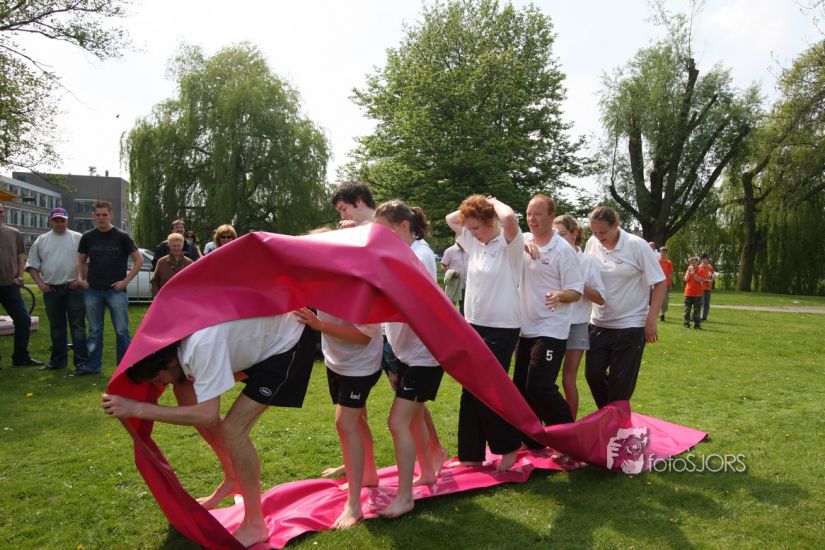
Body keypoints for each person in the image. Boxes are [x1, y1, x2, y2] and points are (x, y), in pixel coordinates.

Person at [101, 314, 317, 548]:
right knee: (184, 390)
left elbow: (207, 415)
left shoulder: (200, 346)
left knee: (233, 430)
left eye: (156, 377)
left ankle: (255, 525)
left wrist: (138, 408)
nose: (158, 385)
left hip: (288, 343)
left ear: (170, 362)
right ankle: (233, 479)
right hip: (261, 342)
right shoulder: (184, 349)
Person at [373, 200, 446, 519]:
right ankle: (427, 471)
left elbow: (412, 301)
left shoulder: (420, 255)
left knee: (397, 422)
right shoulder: (406, 252)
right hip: (407, 352)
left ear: (404, 226)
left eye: (385, 232)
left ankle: (404, 498)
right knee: (413, 418)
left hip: (423, 356)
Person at [445, 195, 523, 471]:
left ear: (491, 220)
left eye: (477, 227)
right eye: (470, 228)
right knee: (471, 389)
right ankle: (470, 454)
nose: (472, 232)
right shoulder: (474, 242)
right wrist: (473, 207)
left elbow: (509, 218)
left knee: (490, 389)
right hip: (473, 325)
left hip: (502, 328)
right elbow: (450, 219)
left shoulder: (510, 243)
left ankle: (510, 446)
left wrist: (492, 202)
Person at [293, 306, 383, 529]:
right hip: (336, 360)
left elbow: (364, 336)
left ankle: (354, 506)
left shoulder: (364, 290)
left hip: (360, 365)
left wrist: (319, 325)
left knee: (345, 424)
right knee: (356, 421)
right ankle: (368, 474)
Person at [513, 195, 583, 440]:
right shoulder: (523, 239)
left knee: (539, 386)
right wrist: (522, 244)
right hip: (525, 328)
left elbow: (576, 291)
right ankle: (534, 442)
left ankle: (571, 439)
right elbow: (501, 234)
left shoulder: (563, 250)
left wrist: (560, 295)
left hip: (552, 328)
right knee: (521, 389)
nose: (532, 219)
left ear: (551, 216)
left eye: (538, 214)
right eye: (529, 214)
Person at [584, 207, 666, 408]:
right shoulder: (592, 243)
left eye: (603, 232)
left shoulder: (636, 245)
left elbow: (660, 282)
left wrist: (651, 320)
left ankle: (613, 419)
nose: (598, 237)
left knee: (620, 384)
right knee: (593, 374)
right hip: (598, 323)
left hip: (630, 325)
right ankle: (612, 416)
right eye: (594, 232)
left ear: (616, 225)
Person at [76, 200, 143, 376]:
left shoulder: (122, 236)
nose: (101, 218)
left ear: (111, 215)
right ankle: (92, 366)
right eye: (98, 215)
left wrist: (125, 282)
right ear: (93, 216)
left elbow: (139, 260)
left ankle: (125, 367)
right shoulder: (88, 237)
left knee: (122, 330)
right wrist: (80, 279)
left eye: (104, 214)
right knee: (94, 330)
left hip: (116, 291)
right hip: (93, 290)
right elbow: (81, 261)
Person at [553, 214, 605, 420]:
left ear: (575, 233)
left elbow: (600, 298)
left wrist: (578, 284)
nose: (557, 239)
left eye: (562, 234)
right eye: (554, 235)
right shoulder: (551, 256)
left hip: (577, 325)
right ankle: (542, 427)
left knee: (568, 379)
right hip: (552, 325)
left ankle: (569, 427)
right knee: (543, 380)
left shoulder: (587, 262)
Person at [25, 207, 88, 371]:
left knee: (78, 326)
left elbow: (86, 262)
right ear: (50, 221)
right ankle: (58, 361)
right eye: (56, 220)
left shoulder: (78, 238)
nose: (59, 223)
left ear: (67, 221)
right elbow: (32, 265)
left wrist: (79, 280)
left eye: (62, 220)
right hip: (51, 290)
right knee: (56, 327)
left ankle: (81, 362)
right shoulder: (41, 240)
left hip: (73, 289)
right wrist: (40, 284)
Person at [0, 202, 44, 368]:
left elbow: (20, 257)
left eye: (1, 211)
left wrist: (19, 276)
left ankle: (20, 357)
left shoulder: (13, 233)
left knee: (23, 320)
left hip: (10, 286)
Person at [440, 241, 468, 313]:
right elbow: (443, 266)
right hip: (453, 285)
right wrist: (452, 273)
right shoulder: (449, 251)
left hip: (466, 285)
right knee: (450, 309)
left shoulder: (468, 250)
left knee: (464, 309)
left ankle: (462, 320)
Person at [683, 256, 703, 329]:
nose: (692, 264)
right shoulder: (688, 270)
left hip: (697, 293)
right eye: (691, 263)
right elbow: (686, 279)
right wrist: (689, 271)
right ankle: (686, 324)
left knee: (696, 310)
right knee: (687, 310)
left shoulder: (700, 270)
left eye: (694, 262)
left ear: (697, 263)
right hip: (688, 293)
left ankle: (697, 325)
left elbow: (698, 280)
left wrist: (693, 272)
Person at [657, 246, 674, 321]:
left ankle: (662, 314)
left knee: (665, 300)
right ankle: (656, 313)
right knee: (657, 299)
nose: (663, 254)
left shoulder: (669, 262)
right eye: (662, 252)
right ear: (660, 253)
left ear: (667, 253)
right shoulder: (657, 262)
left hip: (666, 284)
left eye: (665, 253)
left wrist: (670, 284)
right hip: (658, 283)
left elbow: (670, 274)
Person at [698, 253, 715, 321]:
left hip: (708, 288)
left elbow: (713, 274)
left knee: (707, 304)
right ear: (702, 259)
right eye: (707, 258)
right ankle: (696, 316)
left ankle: (704, 317)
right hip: (701, 288)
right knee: (701, 303)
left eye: (708, 259)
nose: (708, 260)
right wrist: (706, 280)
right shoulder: (699, 267)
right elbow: (698, 278)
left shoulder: (710, 267)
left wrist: (712, 280)